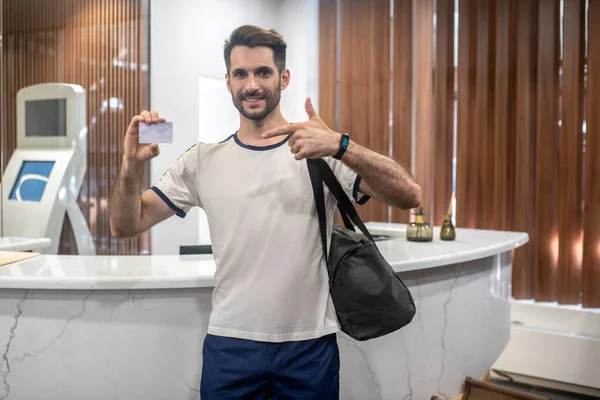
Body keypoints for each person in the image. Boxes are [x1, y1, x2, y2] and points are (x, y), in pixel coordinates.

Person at [109, 25, 421, 400]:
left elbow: (409, 195)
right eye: (240, 73)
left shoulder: (319, 151)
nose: (251, 84)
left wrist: (341, 145)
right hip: (231, 346)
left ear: (283, 77)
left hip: (309, 346)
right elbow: (126, 224)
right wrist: (130, 167)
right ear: (228, 81)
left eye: (263, 72)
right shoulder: (201, 160)